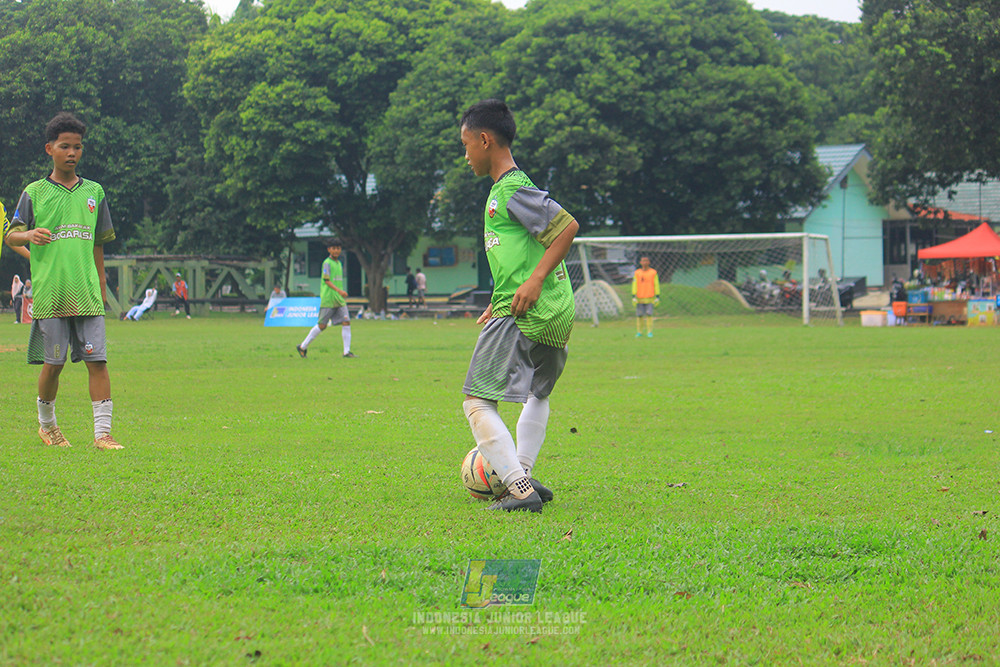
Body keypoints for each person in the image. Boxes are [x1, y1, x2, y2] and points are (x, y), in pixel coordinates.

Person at [459, 98, 579, 513]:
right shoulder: (505, 190)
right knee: (536, 394)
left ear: (485, 140)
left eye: (466, 145)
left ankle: (517, 487)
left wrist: (534, 281)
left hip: (529, 308)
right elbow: (517, 257)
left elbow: (567, 227)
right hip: (555, 311)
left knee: (476, 401)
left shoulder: (512, 188)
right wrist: (498, 299)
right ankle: (524, 472)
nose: (466, 155)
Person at [5, 112, 122, 450]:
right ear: (50, 149)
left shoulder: (94, 192)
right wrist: (28, 234)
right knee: (53, 365)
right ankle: (48, 426)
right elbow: (11, 236)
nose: (72, 153)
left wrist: (101, 284)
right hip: (51, 295)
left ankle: (102, 434)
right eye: (65, 146)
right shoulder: (35, 192)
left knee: (98, 362)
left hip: (87, 293)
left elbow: (98, 244)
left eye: (78, 147)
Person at [296, 238, 355, 358]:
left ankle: (346, 352)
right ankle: (302, 347)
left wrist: (339, 293)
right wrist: (339, 291)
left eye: (338, 248)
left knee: (346, 321)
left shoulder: (339, 263)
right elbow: (327, 281)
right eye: (334, 248)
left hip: (339, 299)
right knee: (322, 325)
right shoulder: (327, 263)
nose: (336, 251)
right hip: (329, 299)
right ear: (329, 249)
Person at [631, 256, 660, 338]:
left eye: (646, 261)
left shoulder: (653, 272)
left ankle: (649, 332)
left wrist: (657, 295)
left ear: (649, 262)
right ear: (640, 262)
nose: (645, 262)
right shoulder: (637, 273)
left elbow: (656, 284)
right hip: (639, 298)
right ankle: (639, 332)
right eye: (643, 261)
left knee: (649, 314)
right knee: (639, 315)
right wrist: (633, 295)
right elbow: (634, 284)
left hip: (650, 297)